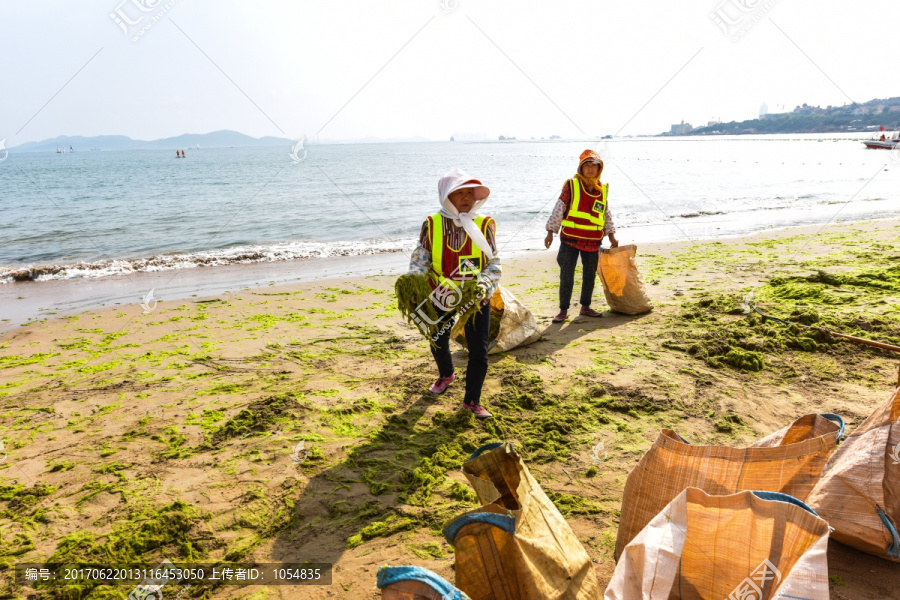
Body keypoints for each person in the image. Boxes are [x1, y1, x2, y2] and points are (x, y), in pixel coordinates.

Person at [407, 168, 501, 419]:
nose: (466, 197)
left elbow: (493, 263)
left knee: (479, 351)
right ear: (447, 196)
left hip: (476, 297)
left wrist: (484, 286)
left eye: (470, 192)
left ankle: (472, 400)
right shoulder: (432, 224)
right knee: (437, 338)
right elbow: (420, 261)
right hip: (441, 293)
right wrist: (413, 282)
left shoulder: (484, 224)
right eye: (459, 192)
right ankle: (446, 374)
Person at [544, 149, 619, 323]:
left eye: (594, 166)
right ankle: (563, 310)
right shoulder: (571, 185)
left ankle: (585, 307)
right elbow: (559, 208)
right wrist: (550, 232)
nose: (591, 169)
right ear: (581, 168)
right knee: (567, 274)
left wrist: (612, 236)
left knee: (589, 275)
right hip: (570, 239)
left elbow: (606, 215)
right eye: (587, 165)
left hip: (593, 241)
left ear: (599, 169)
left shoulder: (602, 190)